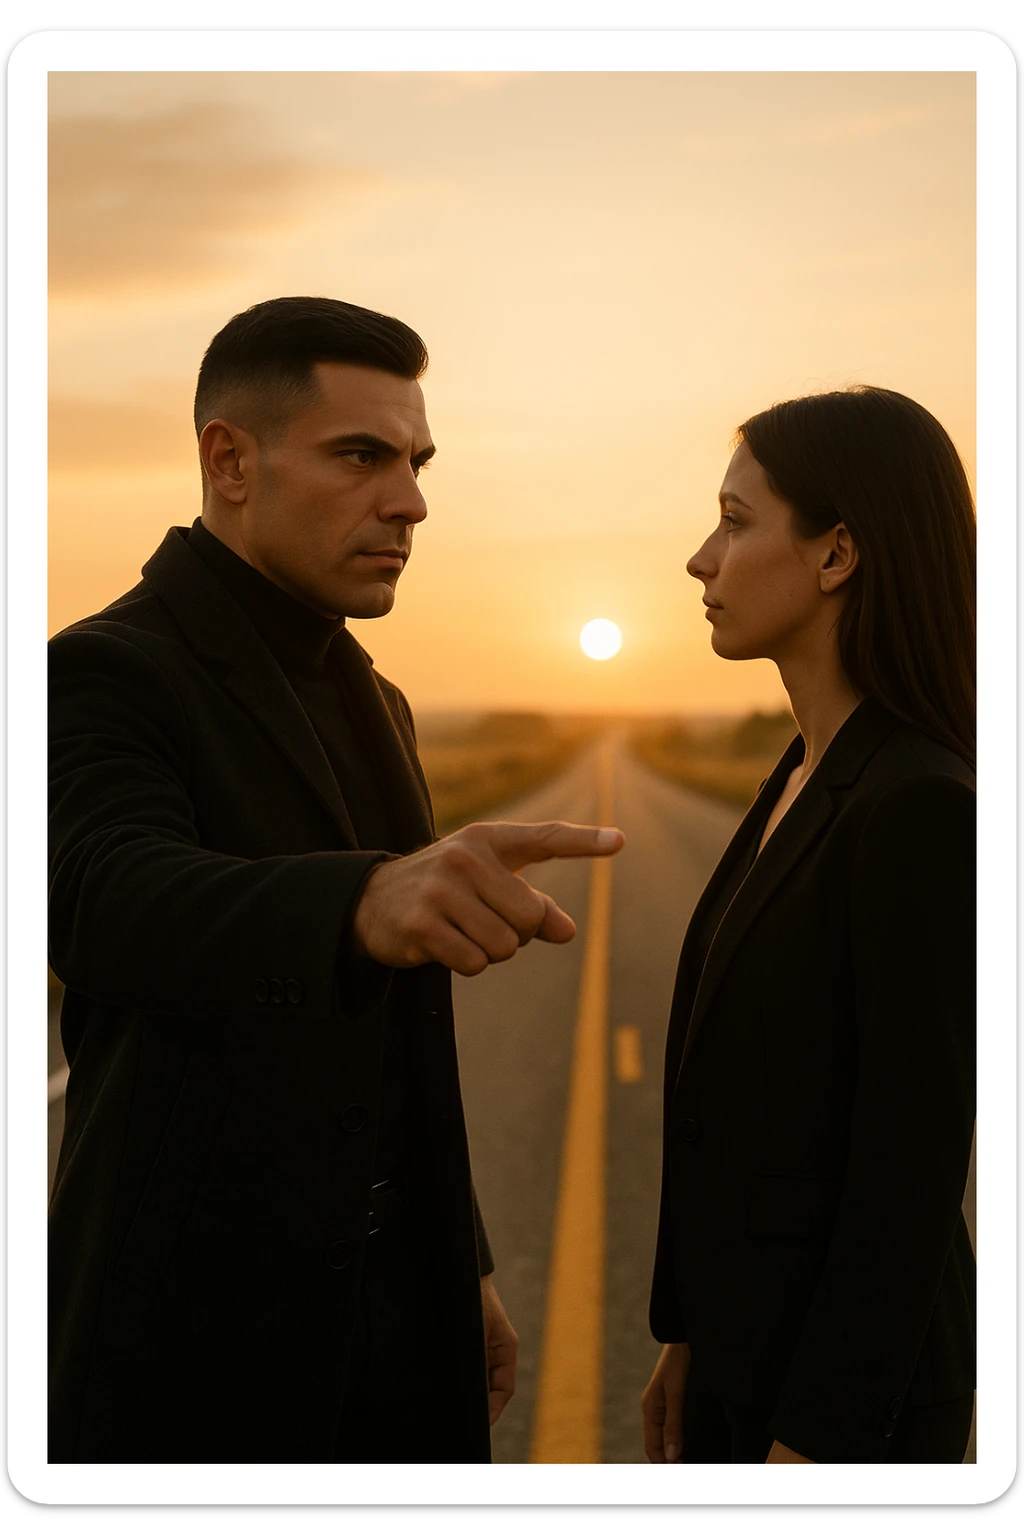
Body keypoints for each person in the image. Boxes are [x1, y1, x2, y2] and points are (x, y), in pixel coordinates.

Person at [47, 295, 624, 1464]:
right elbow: (105, 896)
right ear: (230, 461)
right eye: (361, 454)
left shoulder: (379, 700)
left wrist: (456, 1264)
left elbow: (401, 1051)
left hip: (398, 1334)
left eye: (414, 461)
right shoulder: (103, 671)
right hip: (195, 1355)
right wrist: (360, 901)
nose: (409, 499)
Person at [641, 385, 976, 1465]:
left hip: (841, 1410)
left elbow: (908, 1175)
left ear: (837, 557)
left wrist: (819, 1440)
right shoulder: (802, 770)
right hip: (742, 1359)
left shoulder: (919, 805)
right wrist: (685, 1328)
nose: (701, 558)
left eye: (736, 523)